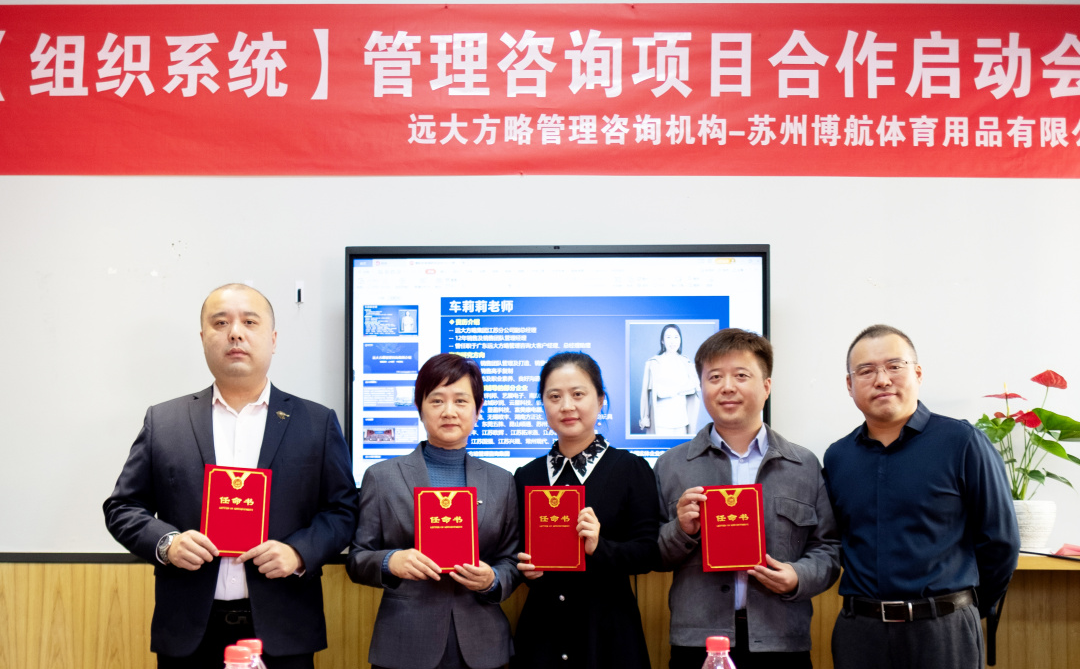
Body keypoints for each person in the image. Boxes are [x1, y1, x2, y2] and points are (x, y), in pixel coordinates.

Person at [103, 283, 359, 669]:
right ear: (203, 338)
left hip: (283, 629)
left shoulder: (316, 422)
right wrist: (167, 543)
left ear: (273, 339)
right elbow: (122, 508)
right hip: (189, 633)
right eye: (220, 323)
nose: (235, 332)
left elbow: (343, 510)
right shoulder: (165, 421)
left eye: (249, 322)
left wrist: (298, 553)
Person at [823, 324, 1020, 669]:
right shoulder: (838, 457)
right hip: (861, 634)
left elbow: (1000, 541)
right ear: (849, 385)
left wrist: (964, 609)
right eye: (866, 371)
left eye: (894, 366)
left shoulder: (962, 442)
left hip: (943, 631)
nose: (882, 379)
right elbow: (836, 541)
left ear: (917, 373)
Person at [655, 328, 840, 669]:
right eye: (714, 377)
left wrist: (798, 576)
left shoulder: (803, 465)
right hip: (698, 642)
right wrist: (681, 530)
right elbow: (653, 553)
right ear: (701, 386)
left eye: (741, 375)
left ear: (766, 386)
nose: (727, 387)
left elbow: (828, 549)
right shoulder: (671, 466)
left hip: (781, 641)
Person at [347, 353, 519, 669]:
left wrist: (492, 579)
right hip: (405, 642)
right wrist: (390, 561)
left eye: (461, 401)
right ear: (420, 408)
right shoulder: (382, 477)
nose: (449, 411)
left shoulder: (502, 481)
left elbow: (511, 560)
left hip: (482, 645)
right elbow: (357, 559)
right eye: (437, 400)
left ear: (478, 410)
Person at [513, 352, 661, 669]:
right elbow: (516, 551)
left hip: (607, 636)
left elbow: (648, 553)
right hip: (543, 636)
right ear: (543, 404)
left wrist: (599, 547)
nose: (567, 406)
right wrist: (524, 568)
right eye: (554, 396)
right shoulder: (527, 476)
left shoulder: (630, 469)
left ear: (601, 399)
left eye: (578, 394)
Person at [640, 323, 700, 435]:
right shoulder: (653, 363)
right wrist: (645, 416)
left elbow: (695, 387)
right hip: (661, 421)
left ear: (680, 340)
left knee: (683, 447)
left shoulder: (686, 362)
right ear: (662, 341)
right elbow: (653, 393)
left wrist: (670, 390)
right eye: (668, 337)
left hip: (682, 421)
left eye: (676, 337)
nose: (673, 341)